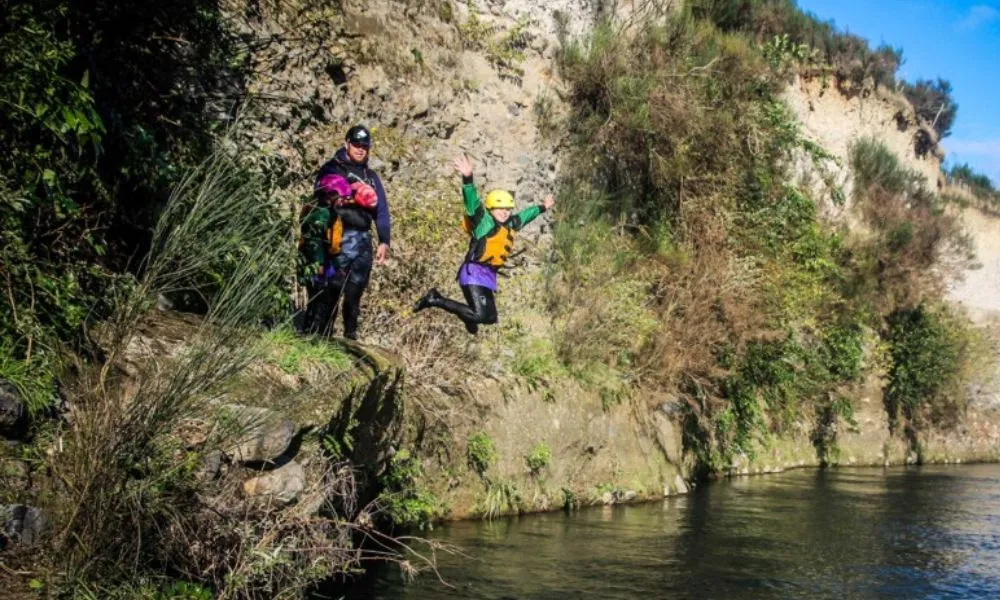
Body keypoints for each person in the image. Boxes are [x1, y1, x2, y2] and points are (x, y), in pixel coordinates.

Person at [412, 155, 554, 333]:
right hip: (474, 272)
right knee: (479, 315)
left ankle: (466, 316)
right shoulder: (483, 221)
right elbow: (471, 201)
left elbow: (527, 215)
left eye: (508, 209)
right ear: (491, 209)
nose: (505, 213)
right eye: (500, 209)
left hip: (488, 276)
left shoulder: (512, 224)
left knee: (490, 318)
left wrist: (543, 207)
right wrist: (468, 178)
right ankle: (435, 299)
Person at [315, 125, 392, 340]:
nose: (360, 149)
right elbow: (321, 192)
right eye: (356, 144)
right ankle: (322, 335)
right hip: (337, 234)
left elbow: (382, 211)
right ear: (347, 143)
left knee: (355, 289)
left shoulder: (372, 176)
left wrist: (384, 240)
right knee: (333, 286)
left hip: (363, 238)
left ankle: (350, 336)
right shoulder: (333, 167)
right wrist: (352, 193)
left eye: (364, 146)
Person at [295, 174, 350, 336]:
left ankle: (317, 333)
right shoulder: (321, 214)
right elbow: (315, 242)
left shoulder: (327, 211)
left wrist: (337, 267)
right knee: (319, 299)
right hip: (315, 263)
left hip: (326, 262)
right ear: (331, 194)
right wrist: (318, 264)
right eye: (341, 197)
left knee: (324, 297)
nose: (344, 201)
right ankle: (311, 333)